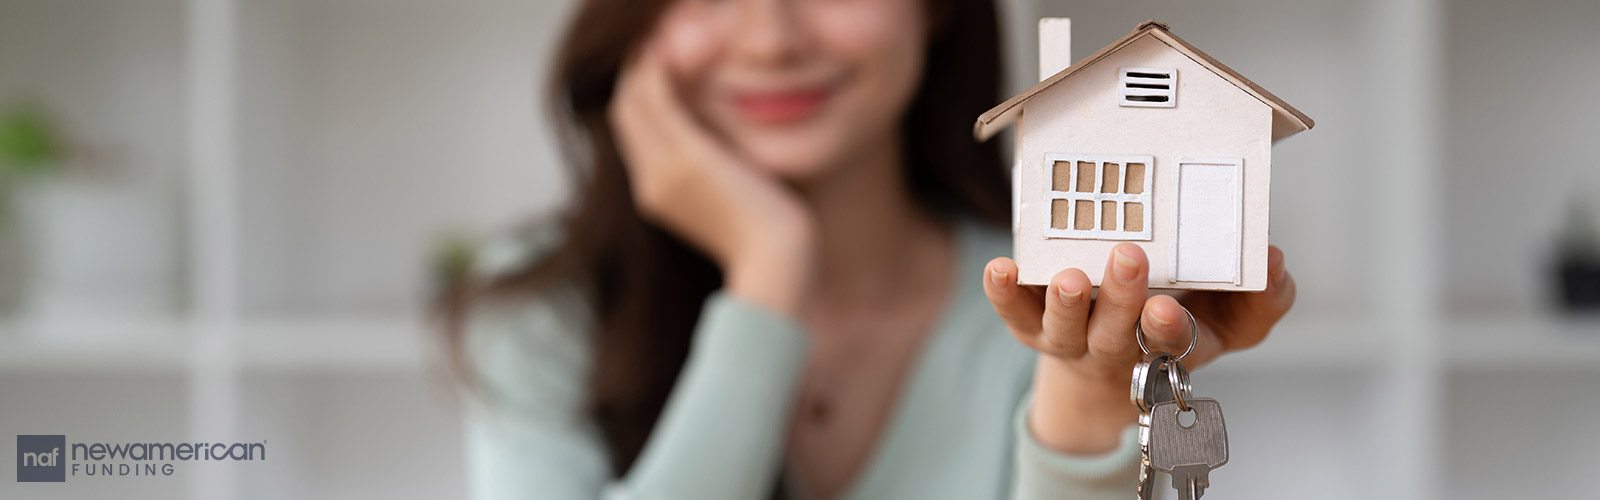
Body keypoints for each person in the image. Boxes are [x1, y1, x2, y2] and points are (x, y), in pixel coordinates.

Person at [442, 0, 1296, 498]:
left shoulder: (1049, 303)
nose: (770, 37)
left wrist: (1084, 387)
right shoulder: (545, 301)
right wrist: (768, 271)